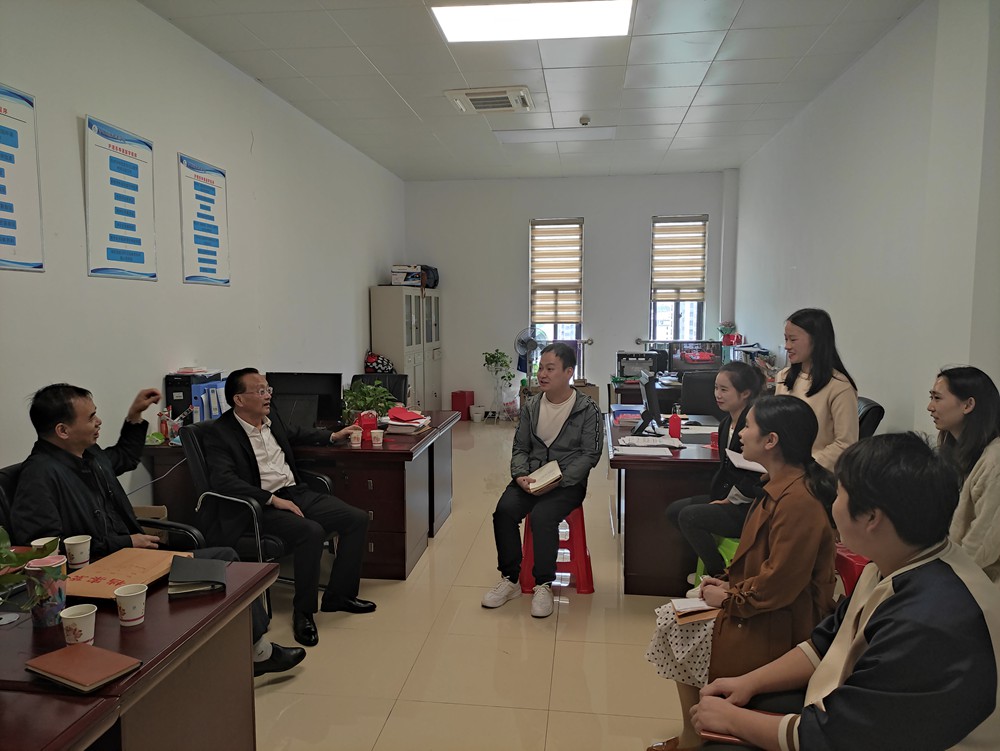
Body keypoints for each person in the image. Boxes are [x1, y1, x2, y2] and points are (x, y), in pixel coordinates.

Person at [691, 433, 1000, 751]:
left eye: (839, 494)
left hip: (875, 735)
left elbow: (836, 737)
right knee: (741, 702)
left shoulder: (929, 621)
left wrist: (732, 720)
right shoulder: (896, 560)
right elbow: (827, 642)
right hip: (854, 715)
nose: (831, 504)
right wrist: (746, 682)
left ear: (871, 517)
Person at [11, 383, 304, 678]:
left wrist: (135, 416)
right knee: (223, 558)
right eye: (91, 418)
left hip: (133, 559)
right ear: (63, 430)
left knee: (224, 559)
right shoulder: (39, 476)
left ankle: (249, 648)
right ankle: (256, 653)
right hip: (103, 573)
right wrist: (125, 541)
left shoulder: (89, 456)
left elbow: (124, 457)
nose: (98, 422)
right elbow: (43, 552)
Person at [646, 396, 836, 751]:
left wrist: (728, 598)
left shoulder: (798, 502)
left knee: (678, 626)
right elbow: (759, 564)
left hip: (785, 621)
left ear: (771, 440)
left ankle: (694, 736)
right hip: (766, 606)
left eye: (748, 427)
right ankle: (694, 733)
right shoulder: (777, 486)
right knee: (675, 618)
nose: (741, 434)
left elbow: (779, 585)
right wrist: (726, 581)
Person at [202, 368, 373, 648]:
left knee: (356, 518)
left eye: (268, 389)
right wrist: (271, 499)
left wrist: (332, 436)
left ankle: (339, 596)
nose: (268, 395)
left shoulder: (271, 419)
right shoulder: (220, 433)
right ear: (239, 399)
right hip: (260, 506)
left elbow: (296, 433)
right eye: (260, 391)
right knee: (311, 532)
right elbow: (224, 481)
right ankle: (304, 613)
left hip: (296, 492)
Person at [481, 343, 602, 618]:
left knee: (542, 517)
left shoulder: (588, 410)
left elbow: (590, 454)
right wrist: (520, 475)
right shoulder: (532, 405)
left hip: (568, 483)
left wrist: (560, 480)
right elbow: (520, 447)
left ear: (568, 372)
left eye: (550, 368)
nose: (542, 374)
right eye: (540, 368)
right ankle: (510, 579)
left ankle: (543, 584)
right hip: (532, 477)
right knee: (504, 512)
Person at [666, 362, 765, 587]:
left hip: (747, 505)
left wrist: (729, 500)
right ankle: (710, 562)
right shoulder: (725, 423)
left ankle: (718, 577)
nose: (717, 395)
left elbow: (756, 474)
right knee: (674, 511)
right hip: (727, 496)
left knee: (690, 517)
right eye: (716, 388)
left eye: (724, 389)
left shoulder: (754, 427)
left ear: (745, 393)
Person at [929, 366, 1000, 582]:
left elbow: (981, 545)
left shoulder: (994, 462)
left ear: (968, 405)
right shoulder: (953, 450)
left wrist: (938, 576)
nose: (930, 407)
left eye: (937, 398)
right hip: (954, 565)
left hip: (982, 579)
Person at [775, 308, 858, 471]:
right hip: (782, 467)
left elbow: (845, 444)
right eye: (786, 339)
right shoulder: (784, 376)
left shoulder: (839, 386)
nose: (787, 346)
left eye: (793, 339)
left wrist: (807, 468)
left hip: (816, 473)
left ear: (816, 340)